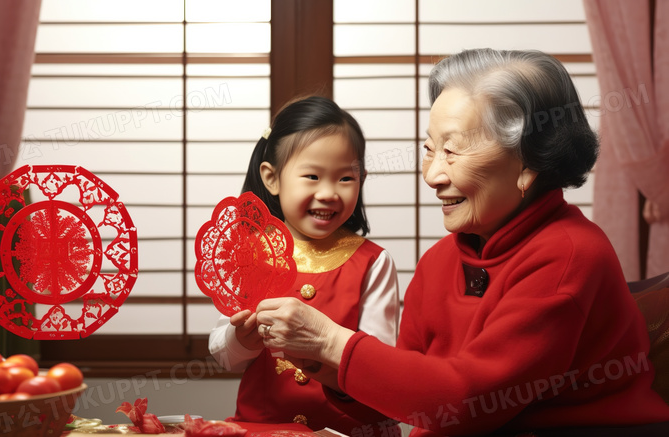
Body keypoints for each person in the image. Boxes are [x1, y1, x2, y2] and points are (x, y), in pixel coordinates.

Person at [253, 49, 669, 436]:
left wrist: (333, 342)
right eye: (429, 150)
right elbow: (407, 399)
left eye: (452, 152)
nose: (432, 175)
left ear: (529, 162)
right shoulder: (440, 260)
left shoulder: (570, 255)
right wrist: (329, 369)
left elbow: (470, 402)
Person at [208, 96, 401, 434]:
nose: (328, 193)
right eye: (312, 176)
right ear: (272, 178)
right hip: (264, 427)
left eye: (345, 179)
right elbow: (225, 357)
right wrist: (242, 339)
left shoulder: (373, 261)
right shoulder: (251, 253)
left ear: (362, 179)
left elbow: (380, 364)